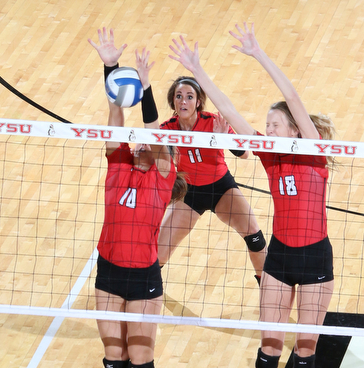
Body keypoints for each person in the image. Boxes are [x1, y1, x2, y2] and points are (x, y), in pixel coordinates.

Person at [168, 23, 336, 368]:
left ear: (294, 129)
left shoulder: (314, 154)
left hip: (316, 258)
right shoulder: (269, 156)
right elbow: (228, 111)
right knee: (269, 348)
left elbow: (292, 97)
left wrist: (258, 53)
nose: (269, 129)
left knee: (305, 352)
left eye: (275, 124)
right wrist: (197, 70)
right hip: (279, 258)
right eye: (267, 124)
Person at [88, 28, 187, 368]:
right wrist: (110, 70)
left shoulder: (162, 177)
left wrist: (145, 88)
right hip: (109, 272)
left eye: (150, 142)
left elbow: (154, 129)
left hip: (144, 275)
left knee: (141, 357)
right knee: (114, 357)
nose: (142, 141)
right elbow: (115, 123)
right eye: (139, 140)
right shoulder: (118, 165)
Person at [156, 49, 267, 283]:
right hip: (188, 193)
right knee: (157, 252)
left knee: (255, 236)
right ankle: (144, 290)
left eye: (189, 96)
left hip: (221, 188)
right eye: (178, 96)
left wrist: (224, 139)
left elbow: (246, 154)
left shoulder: (213, 122)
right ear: (173, 102)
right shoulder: (166, 129)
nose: (183, 100)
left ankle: (269, 290)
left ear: (198, 102)